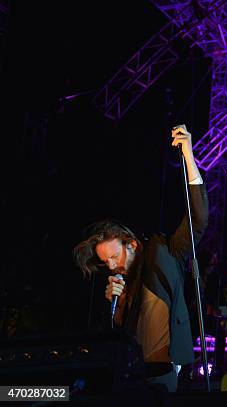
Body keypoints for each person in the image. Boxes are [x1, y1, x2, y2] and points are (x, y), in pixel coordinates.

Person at [72, 125, 208, 392]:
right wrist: (115, 303)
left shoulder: (164, 252)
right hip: (129, 372)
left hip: (164, 369)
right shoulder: (121, 287)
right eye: (105, 262)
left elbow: (198, 218)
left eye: (114, 256)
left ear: (131, 244)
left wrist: (189, 156)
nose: (111, 265)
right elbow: (115, 338)